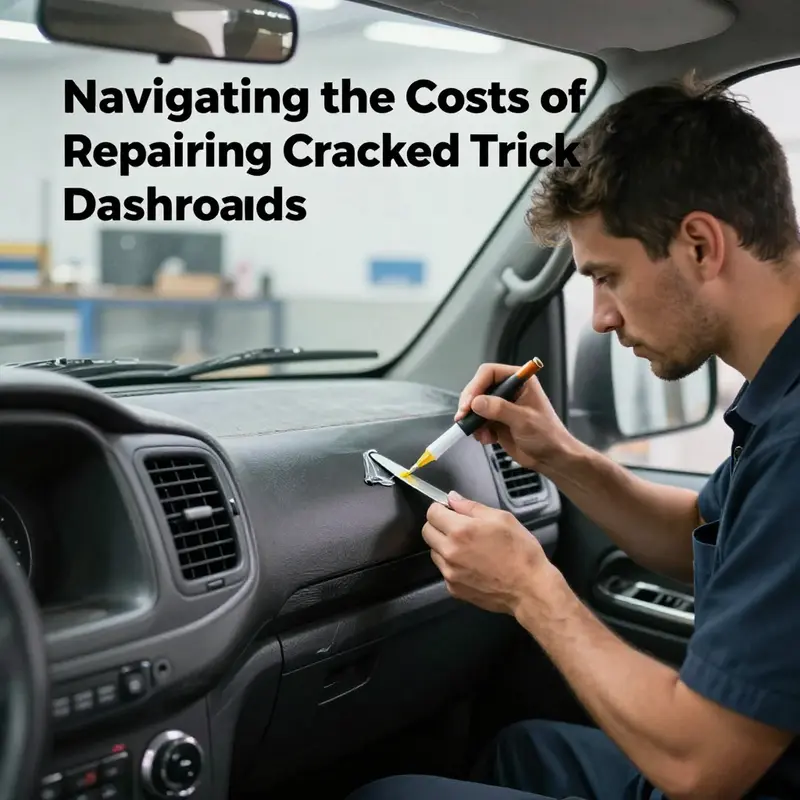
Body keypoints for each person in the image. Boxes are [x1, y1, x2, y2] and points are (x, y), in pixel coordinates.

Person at [346, 74, 800, 800]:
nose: (600, 318)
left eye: (608, 276)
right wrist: (560, 456)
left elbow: (702, 767)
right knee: (523, 751)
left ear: (699, 246)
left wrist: (532, 590)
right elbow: (703, 536)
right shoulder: (781, 393)